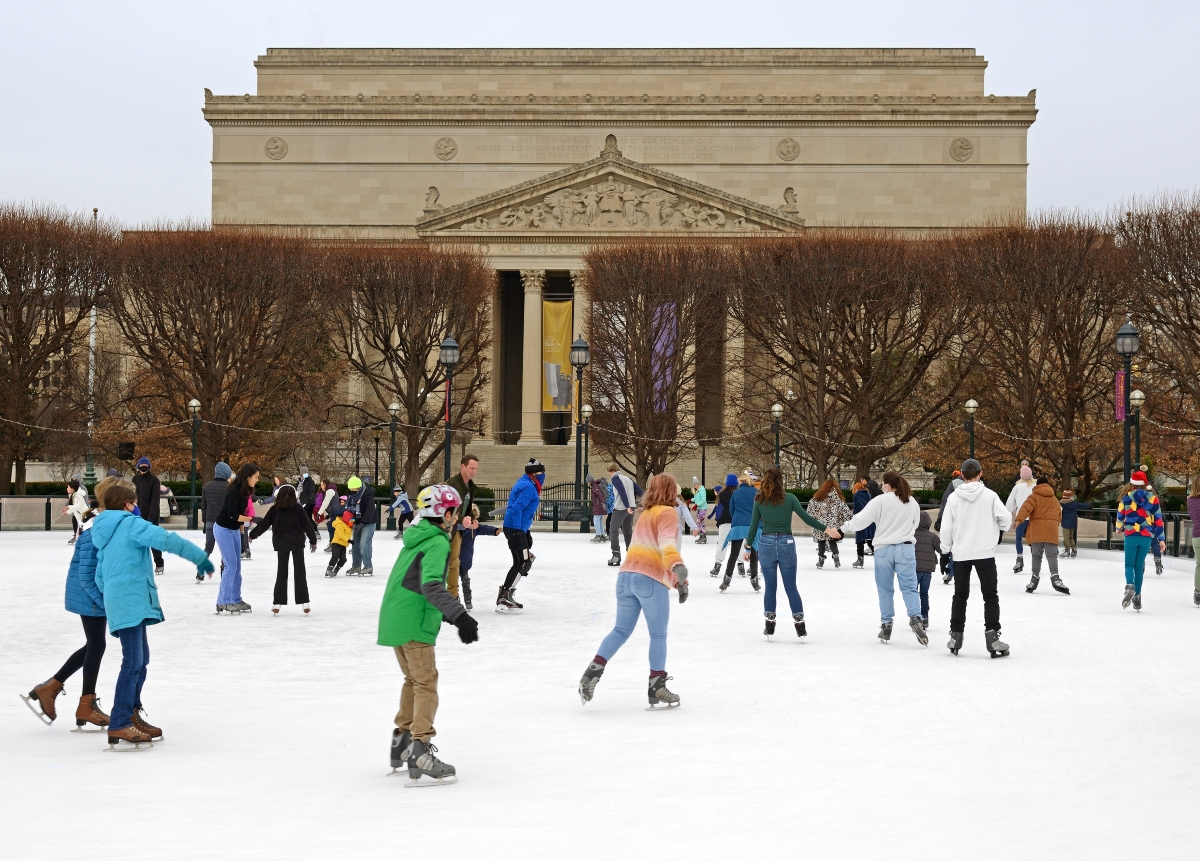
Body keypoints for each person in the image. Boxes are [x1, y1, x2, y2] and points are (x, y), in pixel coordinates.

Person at [91, 479, 214, 749]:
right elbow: (166, 540)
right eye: (133, 502)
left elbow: (100, 574)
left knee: (140, 659)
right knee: (133, 660)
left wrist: (113, 595)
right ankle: (121, 722)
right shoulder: (131, 524)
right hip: (131, 598)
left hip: (120, 599)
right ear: (127, 504)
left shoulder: (103, 531)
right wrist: (199, 557)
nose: (136, 506)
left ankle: (131, 713)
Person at [379, 484, 478, 784]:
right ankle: (419, 749)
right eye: (455, 511)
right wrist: (459, 615)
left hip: (395, 617)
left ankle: (402, 740)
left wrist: (446, 613)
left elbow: (413, 580)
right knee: (426, 683)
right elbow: (431, 584)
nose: (457, 515)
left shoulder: (415, 537)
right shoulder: (437, 542)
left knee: (414, 680)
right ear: (444, 514)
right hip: (414, 622)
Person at [578, 473, 689, 709]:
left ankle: (592, 673)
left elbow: (650, 548)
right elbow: (667, 545)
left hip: (626, 577)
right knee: (658, 635)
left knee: (620, 630)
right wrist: (678, 569)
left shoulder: (646, 513)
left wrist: (679, 582)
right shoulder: (667, 512)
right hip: (649, 580)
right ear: (671, 491)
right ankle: (656, 686)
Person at [23, 476, 119, 731]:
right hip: (89, 592)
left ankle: (52, 689)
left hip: (92, 591)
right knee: (97, 644)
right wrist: (105, 602)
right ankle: (81, 703)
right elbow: (86, 573)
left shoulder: (103, 521)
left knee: (95, 644)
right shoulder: (96, 525)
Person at [830, 470, 927, 645]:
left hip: (884, 549)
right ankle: (915, 618)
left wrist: (842, 529)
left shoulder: (880, 501)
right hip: (905, 548)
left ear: (887, 485)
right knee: (910, 588)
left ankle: (886, 624)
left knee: (885, 589)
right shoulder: (911, 501)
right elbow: (916, 523)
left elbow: (861, 520)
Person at [938, 458, 1013, 657]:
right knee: (990, 595)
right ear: (981, 474)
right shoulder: (990, 496)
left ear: (962, 475)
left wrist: (945, 552)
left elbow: (946, 528)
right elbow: (1006, 519)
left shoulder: (954, 498)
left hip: (961, 554)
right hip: (985, 554)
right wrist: (998, 531)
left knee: (960, 595)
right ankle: (993, 638)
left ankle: (956, 636)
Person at [745, 467, 826, 637]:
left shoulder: (759, 500)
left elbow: (753, 526)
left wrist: (748, 546)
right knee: (791, 587)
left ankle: (770, 623)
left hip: (766, 543)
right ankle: (800, 624)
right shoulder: (789, 498)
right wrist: (826, 529)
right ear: (781, 481)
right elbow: (806, 518)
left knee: (770, 587)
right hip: (786, 542)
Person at [249, 484, 318, 614]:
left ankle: (278, 603)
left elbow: (264, 524)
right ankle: (305, 603)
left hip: (281, 543)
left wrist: (252, 535)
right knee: (300, 572)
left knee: (282, 572)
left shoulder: (275, 509)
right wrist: (313, 541)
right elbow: (308, 525)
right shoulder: (297, 508)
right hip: (296, 542)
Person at [1116, 470, 1165, 612]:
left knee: (1129, 564)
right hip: (1146, 536)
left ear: (1132, 483)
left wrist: (1119, 528)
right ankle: (1137, 598)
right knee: (1139, 566)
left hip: (1131, 534)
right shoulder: (1153, 498)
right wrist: (1160, 539)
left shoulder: (1126, 498)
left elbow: (1120, 515)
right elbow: (1158, 519)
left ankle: (1130, 586)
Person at [498, 458, 543, 612]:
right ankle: (505, 595)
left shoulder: (527, 483)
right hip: (514, 527)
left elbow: (523, 511)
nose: (543, 475)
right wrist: (518, 530)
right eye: (541, 472)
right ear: (535, 473)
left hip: (515, 527)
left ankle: (505, 594)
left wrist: (525, 530)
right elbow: (517, 508)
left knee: (519, 561)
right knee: (524, 561)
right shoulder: (528, 486)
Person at [214, 463, 260, 614]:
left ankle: (235, 599)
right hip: (223, 529)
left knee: (237, 567)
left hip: (233, 530)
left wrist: (242, 534)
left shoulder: (245, 491)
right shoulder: (234, 490)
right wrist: (253, 519)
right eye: (256, 477)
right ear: (247, 477)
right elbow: (232, 516)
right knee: (230, 566)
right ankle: (223, 601)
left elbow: (238, 518)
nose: (257, 480)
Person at [1013, 477, 1069, 595]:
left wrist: (1019, 520)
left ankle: (1034, 579)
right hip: (1051, 530)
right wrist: (1053, 524)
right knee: (1052, 555)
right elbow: (1059, 515)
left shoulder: (1033, 497)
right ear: (1048, 485)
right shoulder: (1054, 499)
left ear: (1037, 485)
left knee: (1036, 556)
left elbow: (1025, 508)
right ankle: (1055, 578)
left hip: (1036, 530)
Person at [720, 471, 761, 592]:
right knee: (754, 554)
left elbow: (731, 509)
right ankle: (754, 580)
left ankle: (726, 580)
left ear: (741, 481)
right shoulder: (756, 492)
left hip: (738, 526)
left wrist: (736, 520)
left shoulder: (736, 493)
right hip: (753, 526)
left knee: (734, 554)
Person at [446, 453, 480, 599]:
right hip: (444, 530)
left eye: (476, 469)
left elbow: (465, 509)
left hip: (456, 531)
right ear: (463, 466)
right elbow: (445, 510)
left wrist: (472, 519)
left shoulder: (469, 487)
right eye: (471, 468)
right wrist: (461, 520)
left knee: (454, 563)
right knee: (441, 563)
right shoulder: (451, 485)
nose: (474, 471)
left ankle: (453, 596)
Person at [456, 503, 498, 611]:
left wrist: (494, 530)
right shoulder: (458, 528)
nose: (474, 523)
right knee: (455, 581)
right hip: (454, 559)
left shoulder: (475, 528)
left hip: (464, 560)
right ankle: (455, 600)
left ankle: (467, 601)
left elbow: (485, 528)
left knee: (465, 581)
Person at [131, 456, 166, 574]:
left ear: (149, 467)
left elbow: (155, 500)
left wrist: (151, 517)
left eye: (145, 465)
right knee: (137, 540)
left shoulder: (154, 480)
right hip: (137, 515)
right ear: (138, 467)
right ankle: (137, 563)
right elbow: (132, 497)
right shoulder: (135, 479)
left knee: (153, 539)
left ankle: (159, 563)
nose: (143, 467)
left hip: (151, 515)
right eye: (141, 465)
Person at [807, 479, 852, 568]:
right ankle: (836, 557)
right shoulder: (838, 499)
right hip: (833, 525)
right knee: (832, 541)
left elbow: (810, 511)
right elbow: (846, 513)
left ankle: (821, 560)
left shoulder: (817, 498)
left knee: (821, 542)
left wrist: (815, 519)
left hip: (821, 525)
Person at [607, 463, 643, 566]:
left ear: (612, 471)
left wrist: (626, 506)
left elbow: (622, 491)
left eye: (610, 473)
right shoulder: (628, 479)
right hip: (631, 507)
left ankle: (616, 555)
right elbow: (640, 491)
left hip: (621, 508)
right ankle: (632, 556)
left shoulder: (615, 478)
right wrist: (645, 502)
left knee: (613, 531)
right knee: (627, 532)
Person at [200, 462, 233, 571]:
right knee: (225, 547)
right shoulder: (229, 488)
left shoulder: (207, 487)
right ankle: (224, 568)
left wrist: (205, 521)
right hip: (224, 522)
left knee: (208, 547)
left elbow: (204, 506)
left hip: (210, 521)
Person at [1005, 462, 1036, 573]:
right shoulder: (1035, 487)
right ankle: (1035, 561)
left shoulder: (1017, 487)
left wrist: (1005, 514)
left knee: (1018, 539)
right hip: (1033, 517)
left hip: (1020, 517)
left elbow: (1010, 504)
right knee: (1033, 539)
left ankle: (1019, 560)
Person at [935, 470, 964, 582]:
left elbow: (945, 502)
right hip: (964, 523)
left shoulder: (954, 484)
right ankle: (954, 571)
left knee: (954, 546)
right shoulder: (981, 486)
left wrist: (940, 519)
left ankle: (953, 571)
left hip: (956, 520)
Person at [345, 475, 377, 576]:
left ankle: (368, 567)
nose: (351, 491)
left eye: (353, 489)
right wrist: (351, 520)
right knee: (355, 544)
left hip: (369, 522)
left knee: (364, 543)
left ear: (358, 488)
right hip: (358, 522)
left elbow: (370, 511)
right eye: (350, 489)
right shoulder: (352, 496)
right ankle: (356, 566)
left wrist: (363, 522)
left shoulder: (368, 497)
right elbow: (350, 509)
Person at [913, 511, 940, 629]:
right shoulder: (933, 537)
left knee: (913, 593)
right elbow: (942, 550)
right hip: (927, 571)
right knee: (924, 593)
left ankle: (915, 617)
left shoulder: (911, 535)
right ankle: (925, 617)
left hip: (914, 569)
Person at [708, 475, 738, 576]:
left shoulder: (722, 494)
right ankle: (741, 564)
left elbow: (723, 504)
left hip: (725, 519)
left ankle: (717, 564)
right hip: (737, 521)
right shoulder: (738, 493)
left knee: (722, 543)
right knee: (740, 543)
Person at [1058, 488, 1090, 559]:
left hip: (1065, 523)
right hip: (1073, 523)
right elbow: (1082, 505)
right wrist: (1089, 505)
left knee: (1066, 537)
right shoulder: (1074, 504)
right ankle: (1074, 549)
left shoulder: (1062, 505)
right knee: (1071, 537)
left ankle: (1067, 550)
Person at [850, 478, 875, 567]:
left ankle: (860, 560)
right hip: (870, 520)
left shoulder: (857, 495)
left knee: (860, 541)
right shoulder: (868, 494)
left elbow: (857, 508)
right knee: (870, 540)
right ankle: (879, 558)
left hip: (861, 520)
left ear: (856, 489)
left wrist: (854, 515)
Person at [325, 508, 354, 577]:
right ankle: (329, 570)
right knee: (335, 557)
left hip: (343, 545)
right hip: (336, 543)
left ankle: (336, 570)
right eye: (351, 521)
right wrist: (349, 540)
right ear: (347, 519)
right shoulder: (339, 524)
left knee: (343, 559)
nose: (352, 523)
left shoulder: (347, 526)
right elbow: (340, 535)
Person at [63, 478, 90, 544]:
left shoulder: (78, 496)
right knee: (80, 532)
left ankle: (83, 543)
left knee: (84, 532)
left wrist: (68, 508)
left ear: (72, 489)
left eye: (68, 487)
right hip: (81, 517)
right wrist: (68, 512)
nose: (67, 488)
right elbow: (75, 507)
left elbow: (77, 506)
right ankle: (81, 542)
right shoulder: (74, 495)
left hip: (84, 517)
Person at [1188, 476, 1200, 607]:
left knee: (1199, 564)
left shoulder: (1190, 500)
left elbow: (1191, 516)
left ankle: (1198, 593)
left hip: (1197, 535)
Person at [317, 479, 339, 547]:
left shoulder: (330, 491)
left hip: (336, 512)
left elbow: (326, 503)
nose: (321, 487)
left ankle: (333, 544)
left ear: (325, 484)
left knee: (331, 526)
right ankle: (333, 543)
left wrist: (319, 513)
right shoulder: (329, 491)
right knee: (331, 526)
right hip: (334, 512)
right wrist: (327, 514)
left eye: (322, 485)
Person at [588, 473, 609, 543]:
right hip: (599, 505)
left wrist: (603, 502)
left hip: (599, 505)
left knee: (596, 520)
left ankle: (598, 535)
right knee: (599, 520)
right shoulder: (595, 485)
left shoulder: (594, 486)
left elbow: (600, 494)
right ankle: (602, 534)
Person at [691, 477, 708, 544]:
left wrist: (696, 505)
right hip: (699, 508)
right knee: (698, 522)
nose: (695, 486)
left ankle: (703, 536)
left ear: (698, 484)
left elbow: (703, 500)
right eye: (694, 485)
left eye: (695, 485)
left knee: (700, 521)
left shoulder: (701, 490)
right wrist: (690, 500)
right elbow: (696, 498)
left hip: (702, 508)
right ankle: (702, 535)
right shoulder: (697, 491)